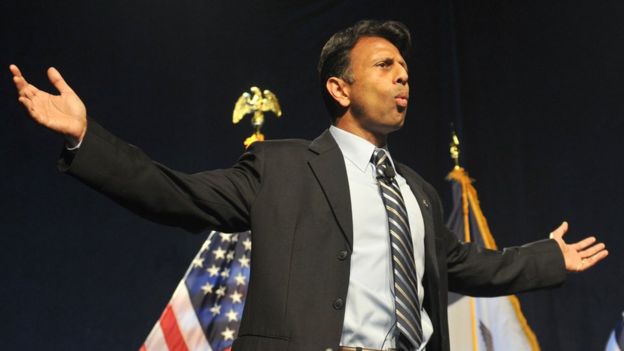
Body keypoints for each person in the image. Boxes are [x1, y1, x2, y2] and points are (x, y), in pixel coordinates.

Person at [10, 20, 608, 351]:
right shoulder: (284, 168)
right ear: (339, 88)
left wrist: (545, 258)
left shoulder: (419, 193)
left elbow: (468, 267)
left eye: (406, 71)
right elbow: (175, 194)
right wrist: (88, 136)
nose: (402, 78)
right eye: (384, 66)